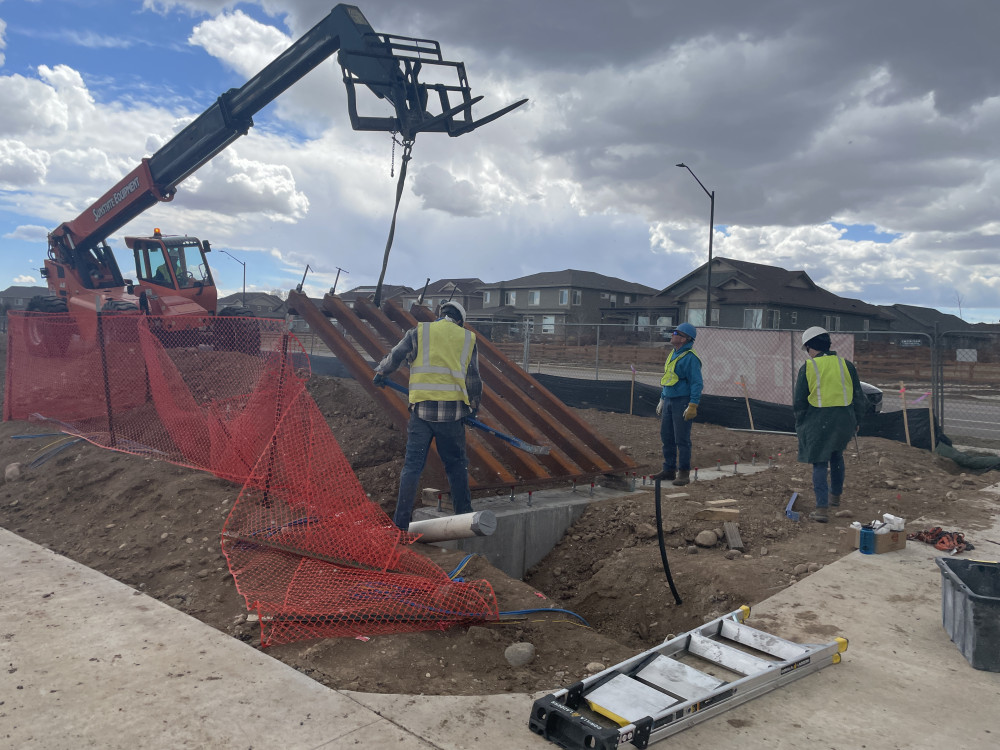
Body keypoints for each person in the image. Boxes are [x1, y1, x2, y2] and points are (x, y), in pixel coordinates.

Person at [373, 300, 482, 531]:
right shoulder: (466, 338)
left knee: (412, 467)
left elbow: (396, 355)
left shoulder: (420, 332)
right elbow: (473, 379)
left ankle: (400, 526)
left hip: (422, 414)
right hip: (452, 416)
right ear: (460, 320)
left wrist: (382, 371)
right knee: (456, 466)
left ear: (440, 315)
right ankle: (464, 517)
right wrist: (473, 407)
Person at [794, 326, 866, 523]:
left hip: (819, 419)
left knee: (819, 461)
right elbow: (859, 397)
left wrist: (801, 424)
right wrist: (857, 421)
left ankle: (821, 508)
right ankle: (835, 497)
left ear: (810, 347)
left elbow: (799, 401)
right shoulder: (847, 365)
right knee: (836, 456)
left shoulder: (808, 367)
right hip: (844, 420)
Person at [653, 321, 702, 486]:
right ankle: (669, 469)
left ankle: (683, 472)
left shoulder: (691, 358)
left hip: (682, 401)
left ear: (685, 338)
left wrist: (693, 404)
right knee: (666, 436)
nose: (673, 335)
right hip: (668, 399)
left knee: (682, 438)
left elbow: (696, 383)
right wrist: (662, 397)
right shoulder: (673, 354)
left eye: (676, 333)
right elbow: (669, 378)